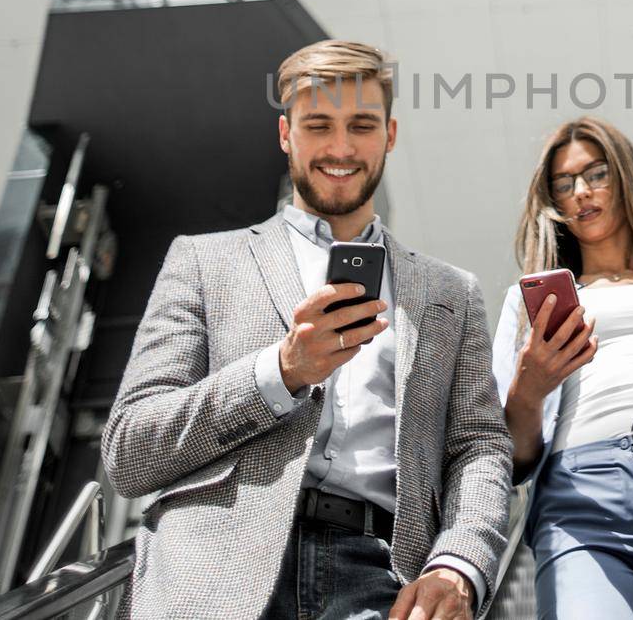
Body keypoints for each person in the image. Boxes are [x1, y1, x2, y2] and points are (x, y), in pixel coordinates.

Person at [102, 40, 512, 620]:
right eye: (318, 124)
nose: (341, 148)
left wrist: (459, 564)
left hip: (381, 582)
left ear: (389, 136)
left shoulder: (451, 293)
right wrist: (282, 371)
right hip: (214, 575)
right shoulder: (202, 262)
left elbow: (479, 446)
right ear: (285, 134)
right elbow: (129, 452)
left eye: (361, 125)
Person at [490, 117, 633, 620]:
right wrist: (528, 390)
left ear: (626, 177)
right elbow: (512, 457)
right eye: (563, 184)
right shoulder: (528, 303)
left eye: (596, 174)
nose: (580, 193)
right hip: (580, 496)